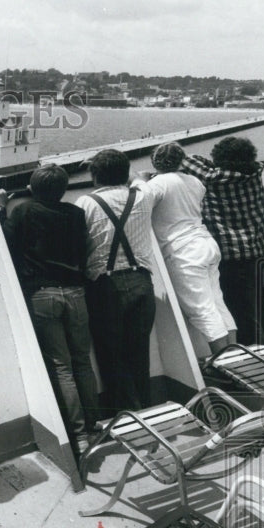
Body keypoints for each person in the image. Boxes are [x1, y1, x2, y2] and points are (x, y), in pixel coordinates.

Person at [0, 163, 96, 452]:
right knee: (82, 361)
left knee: (62, 366)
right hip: (76, 293)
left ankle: (78, 436)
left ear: (30, 189)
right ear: (64, 189)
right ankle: (93, 422)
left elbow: (6, 242)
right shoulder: (76, 213)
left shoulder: (24, 211)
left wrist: (1, 208)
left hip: (43, 294)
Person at [75, 149, 160, 416]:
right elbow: (138, 177)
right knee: (139, 351)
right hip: (141, 281)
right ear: (124, 173)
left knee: (111, 354)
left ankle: (122, 415)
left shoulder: (85, 203)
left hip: (104, 285)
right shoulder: (144, 194)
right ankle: (144, 411)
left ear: (95, 175)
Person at [135, 142, 236, 354]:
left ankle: (225, 362)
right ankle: (236, 356)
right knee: (217, 303)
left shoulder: (157, 184)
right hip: (205, 242)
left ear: (155, 162)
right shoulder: (195, 182)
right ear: (182, 160)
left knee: (201, 310)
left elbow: (139, 201)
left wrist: (140, 180)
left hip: (184, 251)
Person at [180, 136, 264, 346]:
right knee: (261, 309)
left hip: (232, 258)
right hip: (260, 253)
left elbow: (184, 159)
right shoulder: (255, 173)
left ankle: (254, 363)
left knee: (238, 312)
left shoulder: (214, 178)